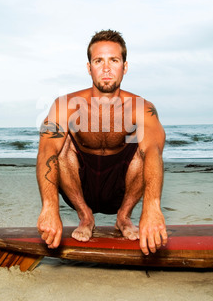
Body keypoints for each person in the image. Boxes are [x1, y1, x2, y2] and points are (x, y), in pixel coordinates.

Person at [36, 30, 167, 255]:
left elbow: (154, 151)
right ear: (89, 67)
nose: (106, 68)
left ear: (124, 67)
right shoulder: (65, 105)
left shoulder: (142, 108)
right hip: (80, 186)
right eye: (99, 61)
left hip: (123, 187)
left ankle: (124, 217)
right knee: (60, 144)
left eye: (114, 60)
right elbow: (46, 149)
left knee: (144, 148)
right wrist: (49, 207)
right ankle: (85, 217)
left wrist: (152, 207)